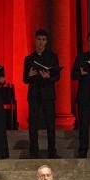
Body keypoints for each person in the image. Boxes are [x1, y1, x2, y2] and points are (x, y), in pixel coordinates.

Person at [22, 29, 61, 158]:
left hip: (48, 94)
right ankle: (34, 151)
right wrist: (30, 75)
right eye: (39, 39)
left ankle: (52, 151)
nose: (41, 42)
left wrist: (48, 77)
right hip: (34, 94)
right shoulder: (29, 59)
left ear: (46, 42)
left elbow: (57, 77)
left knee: (50, 123)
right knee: (33, 123)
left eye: (43, 40)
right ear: (35, 40)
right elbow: (25, 79)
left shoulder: (52, 57)